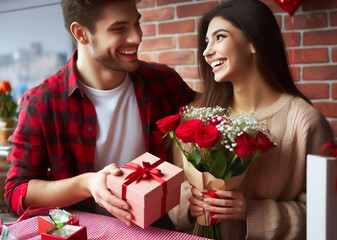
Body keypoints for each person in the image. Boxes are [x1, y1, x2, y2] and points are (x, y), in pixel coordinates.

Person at [5, 0, 195, 228]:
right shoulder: (41, 102)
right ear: (81, 33)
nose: (136, 37)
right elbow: (17, 193)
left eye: (137, 24)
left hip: (161, 230)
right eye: (119, 28)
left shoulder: (164, 81)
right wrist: (88, 184)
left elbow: (213, 115)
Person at [168, 0, 333, 239]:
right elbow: (174, 192)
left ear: (254, 42)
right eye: (206, 42)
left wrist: (251, 211)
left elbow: (326, 216)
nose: (207, 52)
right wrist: (189, 205)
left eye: (220, 37)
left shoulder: (305, 122)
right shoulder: (196, 116)